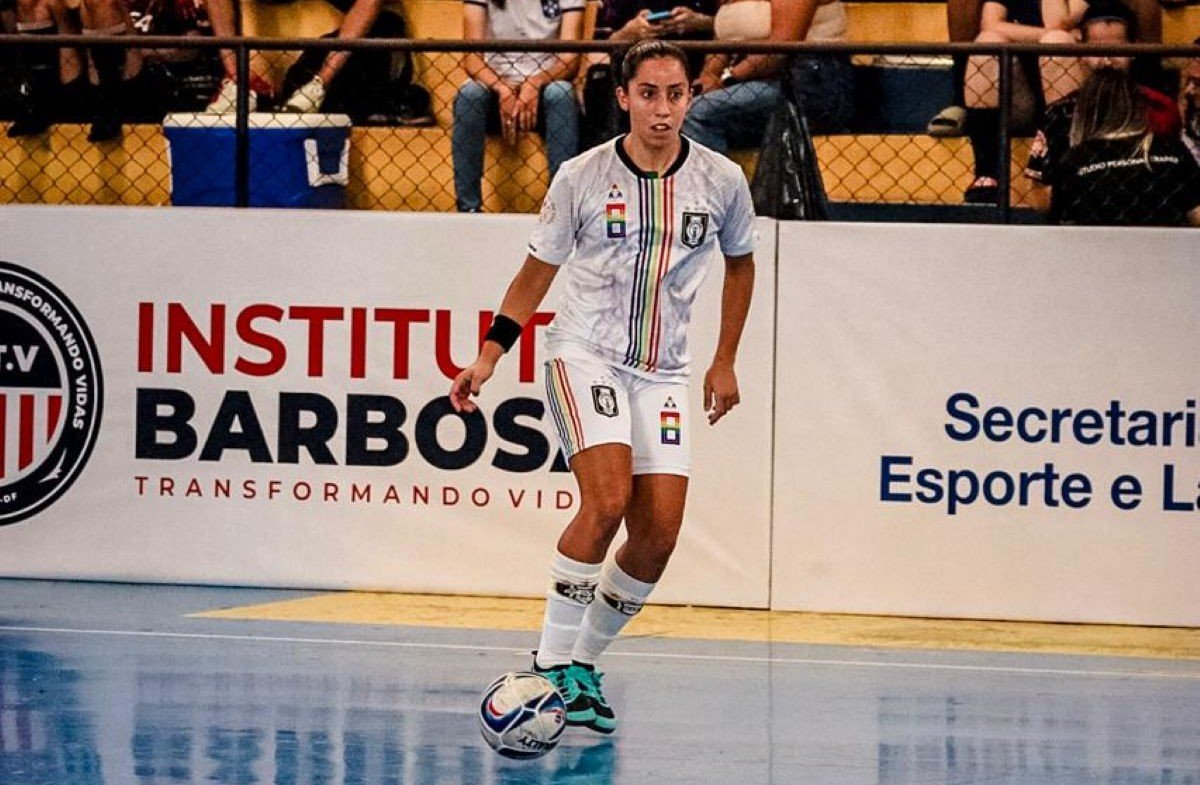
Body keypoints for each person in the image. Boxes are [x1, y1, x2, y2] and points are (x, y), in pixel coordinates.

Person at [449, 39, 756, 733]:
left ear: (691, 98)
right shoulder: (582, 176)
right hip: (584, 353)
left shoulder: (721, 180)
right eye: (647, 92)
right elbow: (536, 275)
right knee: (609, 497)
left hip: (664, 370)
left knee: (659, 534)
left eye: (674, 93)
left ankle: (582, 665)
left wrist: (724, 357)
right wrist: (491, 354)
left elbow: (741, 264)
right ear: (623, 97)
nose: (661, 107)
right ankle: (551, 665)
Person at [1024, 0, 1180, 211]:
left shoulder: (1159, 107)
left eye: (1116, 50)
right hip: (1078, 220)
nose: (1106, 60)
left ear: (1133, 50)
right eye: (1097, 50)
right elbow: (1038, 191)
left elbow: (1174, 178)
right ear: (1082, 53)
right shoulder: (1059, 113)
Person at [451, 0, 583, 213]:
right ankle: (468, 209)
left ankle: (560, 211)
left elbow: (570, 60)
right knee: (469, 95)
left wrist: (534, 83)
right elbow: (472, 60)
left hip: (545, 85)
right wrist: (502, 88)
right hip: (495, 86)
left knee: (561, 94)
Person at [682, 0, 854, 153]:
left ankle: (711, 188)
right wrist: (709, 74)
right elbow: (723, 40)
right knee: (677, 106)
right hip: (749, 78)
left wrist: (727, 78)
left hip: (806, 81)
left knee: (700, 112)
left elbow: (781, 48)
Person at [1047, 67, 1200, 225]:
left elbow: (1061, 223)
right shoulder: (1171, 148)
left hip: (1099, 245)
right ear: (1137, 106)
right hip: (1166, 244)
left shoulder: (1075, 160)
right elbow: (1197, 213)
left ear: (1085, 110)